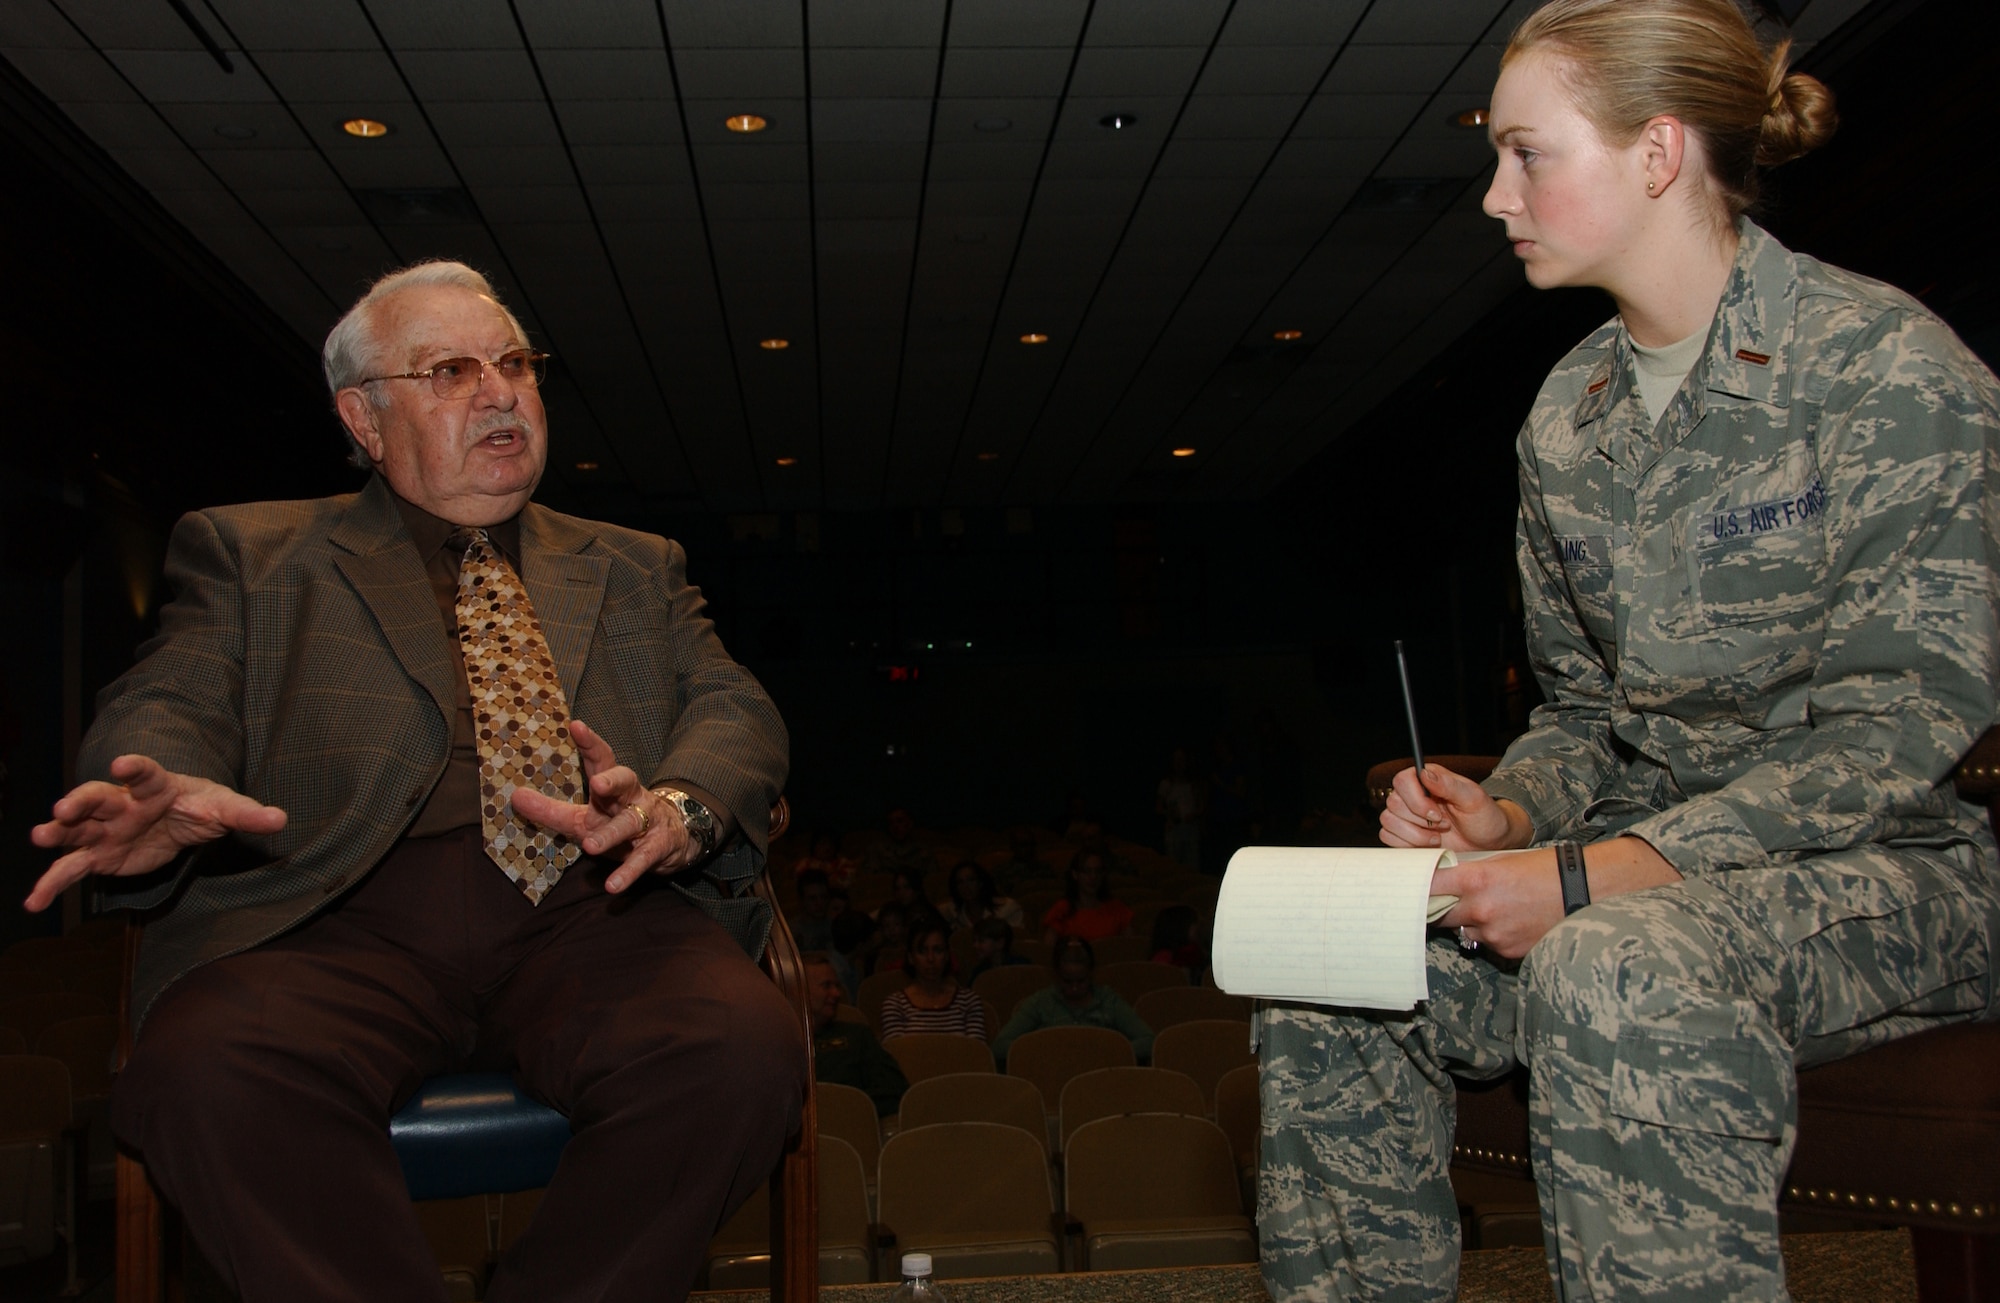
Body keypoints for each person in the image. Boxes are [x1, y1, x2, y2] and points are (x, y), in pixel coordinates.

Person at [1258, 4, 2000, 1299]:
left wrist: (1606, 873)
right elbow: (1583, 702)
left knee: (1615, 959)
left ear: (1659, 154)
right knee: (1325, 954)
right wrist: (1510, 811)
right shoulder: (1567, 415)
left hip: (1888, 867)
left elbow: (1903, 720)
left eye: (1526, 153)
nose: (1495, 196)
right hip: (1625, 852)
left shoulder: (1881, 367)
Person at [26, 261, 805, 1303]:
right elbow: (171, 699)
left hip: (591, 909)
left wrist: (675, 806)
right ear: (365, 417)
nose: (500, 391)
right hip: (335, 916)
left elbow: (734, 708)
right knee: (207, 1071)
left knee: (739, 1049)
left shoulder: (633, 562)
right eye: (449, 370)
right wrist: (156, 780)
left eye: (514, 364)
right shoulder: (252, 553)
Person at [992, 936, 1154, 1063]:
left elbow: (1148, 1040)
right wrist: (1046, 1051)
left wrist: (1108, 1051)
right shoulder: (1041, 1002)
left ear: (1091, 974)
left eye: (1081, 981)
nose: (1075, 988)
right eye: (1067, 981)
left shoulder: (1108, 1000)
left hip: (1103, 1073)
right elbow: (1000, 1046)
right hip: (1052, 1075)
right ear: (1056, 975)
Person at [805, 953, 907, 1118]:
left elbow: (894, 1090)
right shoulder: (779, 1044)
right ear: (800, 991)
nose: (837, 993)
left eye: (837, 985)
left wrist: (846, 1106)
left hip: (853, 1127)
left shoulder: (857, 1036)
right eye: (826, 986)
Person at [877, 918, 988, 1040]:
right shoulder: (895, 1005)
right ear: (911, 958)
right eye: (922, 951)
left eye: (937, 950)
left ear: (946, 956)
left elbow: (976, 1052)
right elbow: (897, 1054)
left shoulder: (969, 1001)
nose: (930, 959)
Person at [1040, 849, 1135, 941]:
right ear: (1075, 874)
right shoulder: (1062, 909)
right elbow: (1049, 950)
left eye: (1097, 871)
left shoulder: (1117, 908)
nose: (1093, 877)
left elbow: (1130, 947)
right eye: (1087, 871)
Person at [938, 860, 1024, 933]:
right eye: (960, 882)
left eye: (971, 880)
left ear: (981, 883)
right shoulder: (950, 911)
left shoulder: (1007, 908)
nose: (966, 887)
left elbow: (1018, 942)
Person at [1156, 745, 1204, 871]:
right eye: (1176, 759)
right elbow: (1158, 807)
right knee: (1174, 868)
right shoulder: (1166, 784)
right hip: (1173, 833)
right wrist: (1171, 814)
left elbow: (1201, 806)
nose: (1179, 763)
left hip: (1190, 832)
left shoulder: (1193, 784)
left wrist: (1193, 814)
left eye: (1182, 759)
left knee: (1192, 868)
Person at [860, 807, 933, 878]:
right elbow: (869, 878)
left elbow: (934, 879)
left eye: (900, 821)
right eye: (891, 823)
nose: (895, 826)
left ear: (910, 823)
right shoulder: (877, 851)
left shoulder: (923, 852)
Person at [966, 917, 1032, 983]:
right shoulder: (979, 971)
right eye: (974, 941)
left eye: (981, 941)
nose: (975, 945)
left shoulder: (1021, 967)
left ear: (1000, 943)